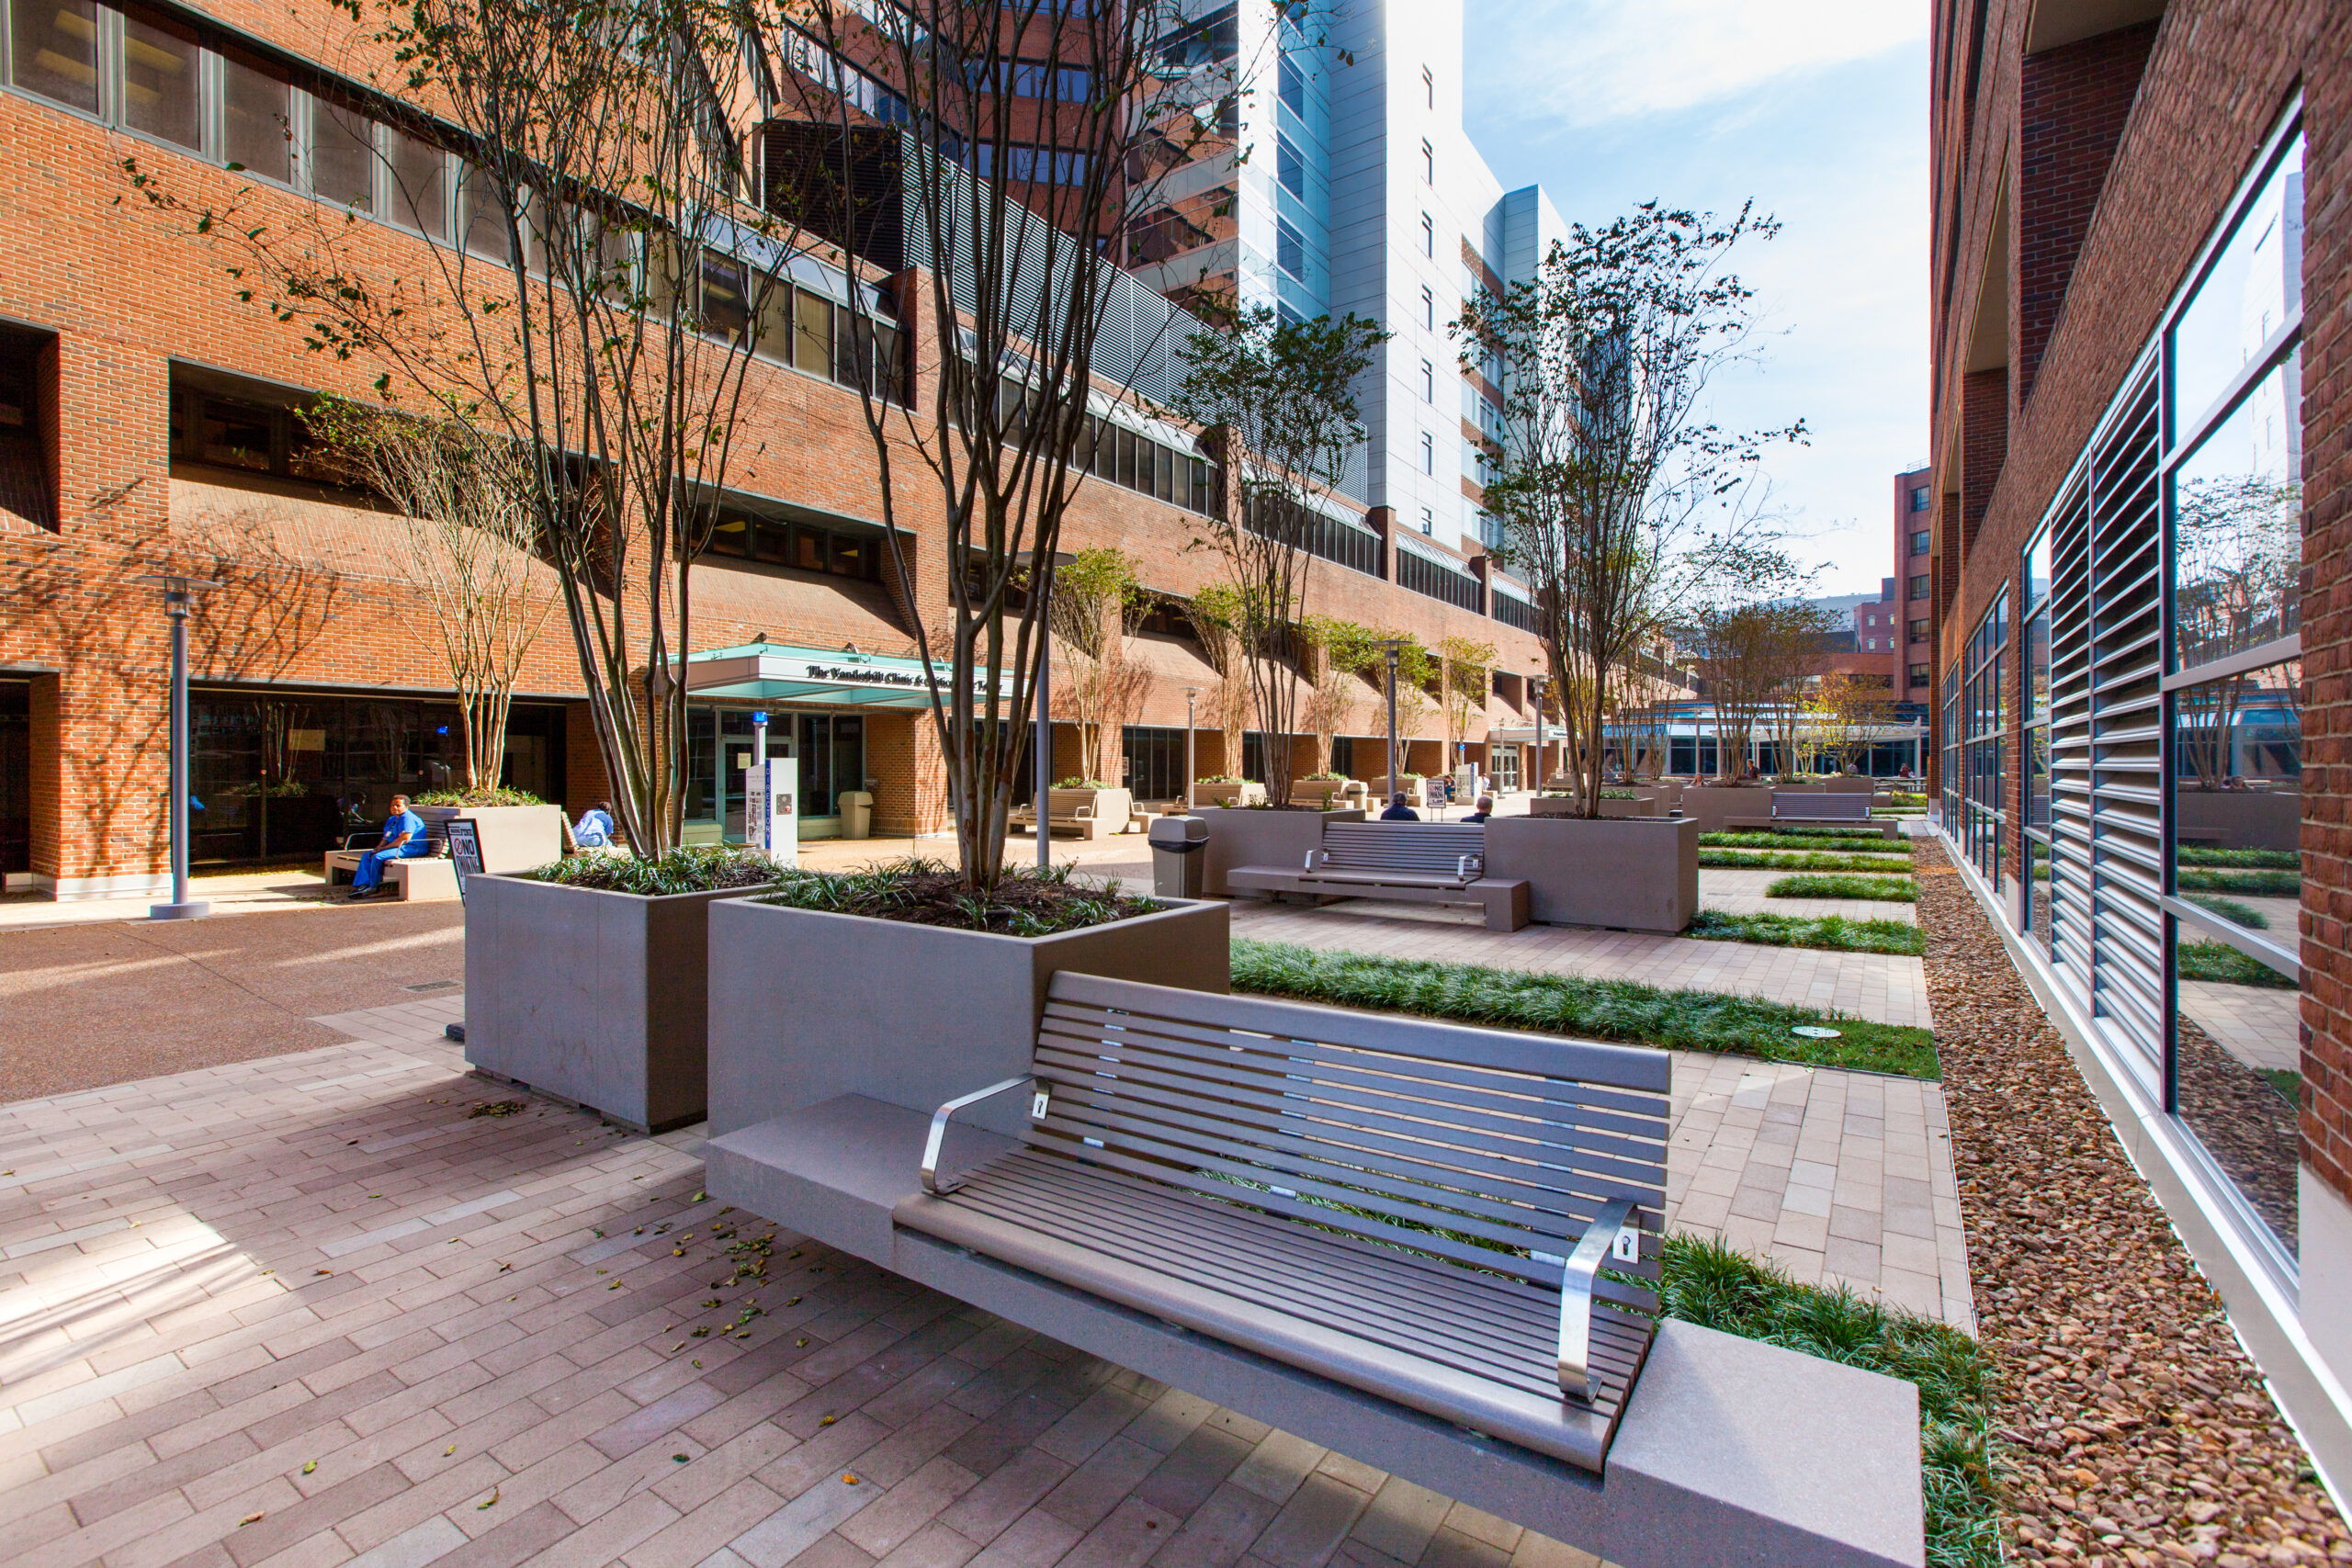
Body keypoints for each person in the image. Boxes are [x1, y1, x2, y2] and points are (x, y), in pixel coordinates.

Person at [348, 794, 429, 899]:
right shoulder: (392, 819)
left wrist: (383, 849)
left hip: (411, 848)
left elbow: (404, 839)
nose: (394, 808)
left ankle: (374, 887)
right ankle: (363, 885)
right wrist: (378, 848)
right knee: (368, 855)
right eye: (392, 806)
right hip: (396, 847)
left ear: (406, 807)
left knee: (378, 857)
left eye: (398, 805)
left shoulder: (408, 819)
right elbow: (386, 837)